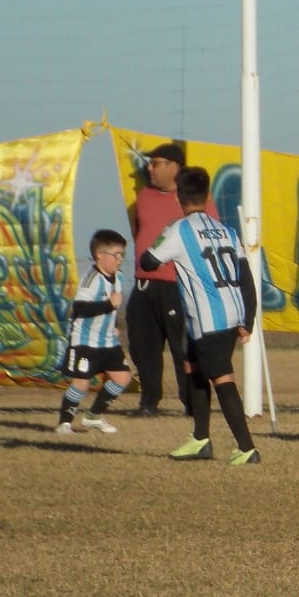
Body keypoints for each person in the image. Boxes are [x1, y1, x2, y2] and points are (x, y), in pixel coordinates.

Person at [139, 167, 262, 465]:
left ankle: (247, 448)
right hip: (226, 314)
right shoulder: (227, 230)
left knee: (222, 379)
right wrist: (248, 319)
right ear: (208, 197)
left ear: (179, 198)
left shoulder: (179, 229)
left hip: (210, 319)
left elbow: (148, 261)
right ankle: (200, 439)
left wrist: (159, 245)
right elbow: (246, 278)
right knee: (192, 368)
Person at [126, 142, 205, 416]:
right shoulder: (144, 196)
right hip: (144, 283)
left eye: (156, 162)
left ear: (174, 167)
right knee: (143, 346)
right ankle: (149, 401)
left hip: (178, 285)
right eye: (149, 163)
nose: (149, 168)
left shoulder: (192, 199)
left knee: (183, 349)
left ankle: (192, 404)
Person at [54, 229, 132, 436]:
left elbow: (111, 308)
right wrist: (108, 305)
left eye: (122, 254)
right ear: (100, 256)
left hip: (107, 341)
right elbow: (80, 308)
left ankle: (93, 416)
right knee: (82, 383)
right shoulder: (91, 279)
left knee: (122, 378)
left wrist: (112, 324)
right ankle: (65, 423)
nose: (120, 259)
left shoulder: (119, 277)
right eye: (116, 255)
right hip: (85, 341)